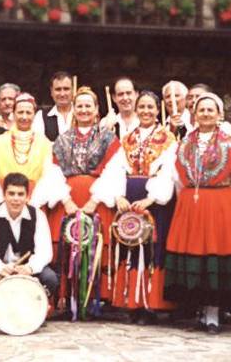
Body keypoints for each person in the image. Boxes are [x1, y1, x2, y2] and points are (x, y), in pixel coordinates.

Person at [163, 93, 231, 335]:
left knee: (214, 257)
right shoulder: (182, 145)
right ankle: (201, 309)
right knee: (197, 259)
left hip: (221, 207)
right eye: (201, 110)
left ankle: (213, 311)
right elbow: (177, 178)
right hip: (191, 206)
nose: (205, 114)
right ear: (194, 114)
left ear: (219, 114)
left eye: (210, 110)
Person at [93, 91, 178, 323]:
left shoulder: (168, 139)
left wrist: (151, 199)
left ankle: (150, 304)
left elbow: (169, 171)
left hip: (153, 201)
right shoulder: (128, 138)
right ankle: (132, 303)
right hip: (130, 198)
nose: (146, 111)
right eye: (142, 107)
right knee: (130, 248)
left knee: (150, 250)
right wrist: (118, 196)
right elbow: (115, 168)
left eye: (151, 107)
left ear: (158, 110)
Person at [51, 87, 120, 305]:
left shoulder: (108, 138)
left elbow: (114, 169)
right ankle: (68, 297)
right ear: (73, 109)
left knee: (96, 245)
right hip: (69, 200)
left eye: (88, 105)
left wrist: (95, 199)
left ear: (96, 109)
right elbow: (53, 170)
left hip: (96, 199)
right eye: (79, 105)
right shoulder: (62, 139)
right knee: (66, 245)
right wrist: (66, 200)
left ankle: (95, 298)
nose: (83, 109)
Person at [0, 173, 57, 328]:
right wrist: (0, 268)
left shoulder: (38, 215)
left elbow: (45, 252)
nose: (16, 199)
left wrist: (29, 268)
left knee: (50, 278)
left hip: (27, 267)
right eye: (11, 193)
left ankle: (34, 311)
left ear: (27, 196)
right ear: (4, 195)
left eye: (20, 194)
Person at [0, 92, 68, 209]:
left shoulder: (44, 143)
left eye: (28, 113)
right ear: (13, 114)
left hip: (34, 203)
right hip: (1, 203)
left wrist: (32, 203)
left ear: (34, 115)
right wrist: (3, 202)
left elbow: (48, 176)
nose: (24, 117)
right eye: (20, 112)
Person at [32, 71, 74, 142]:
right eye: (58, 89)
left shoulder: (82, 113)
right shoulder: (41, 116)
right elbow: (38, 145)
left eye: (66, 89)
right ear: (51, 92)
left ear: (72, 90)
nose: (62, 94)